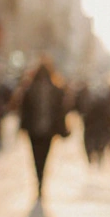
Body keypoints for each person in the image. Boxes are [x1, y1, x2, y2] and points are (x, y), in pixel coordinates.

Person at [15, 57, 68, 199]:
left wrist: (22, 127)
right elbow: (61, 111)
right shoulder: (56, 89)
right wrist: (63, 129)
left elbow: (23, 110)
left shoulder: (29, 88)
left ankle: (38, 179)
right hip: (48, 130)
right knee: (45, 156)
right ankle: (41, 181)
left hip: (34, 129)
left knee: (35, 156)